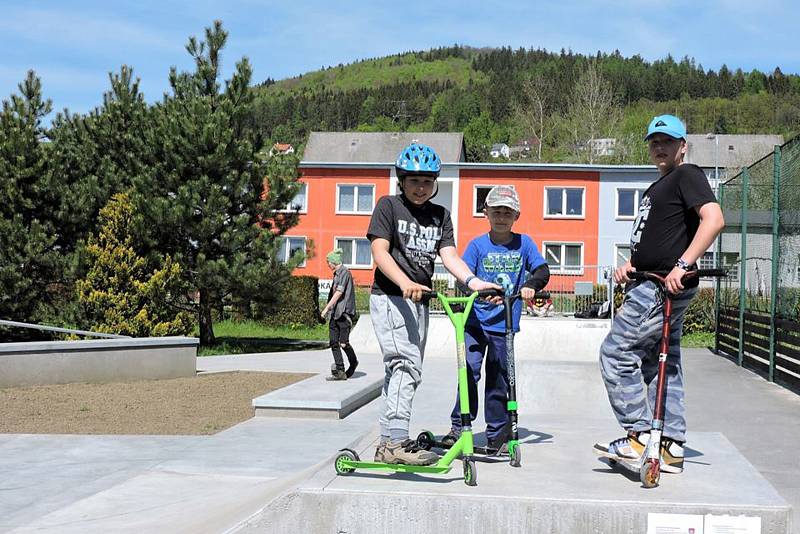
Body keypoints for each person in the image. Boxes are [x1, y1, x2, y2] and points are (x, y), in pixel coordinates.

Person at [593, 114, 725, 473]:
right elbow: (657, 238)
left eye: (668, 141)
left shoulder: (688, 174)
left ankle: (638, 436)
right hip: (649, 279)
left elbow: (714, 219)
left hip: (661, 285)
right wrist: (630, 266)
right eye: (654, 141)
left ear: (683, 146)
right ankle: (669, 445)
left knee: (616, 353)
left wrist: (683, 264)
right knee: (661, 365)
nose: (660, 147)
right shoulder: (657, 188)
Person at [368, 142, 499, 466]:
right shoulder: (388, 207)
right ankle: (396, 442)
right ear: (402, 180)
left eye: (427, 181)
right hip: (391, 296)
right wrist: (404, 282)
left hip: (420, 301)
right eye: (414, 180)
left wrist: (475, 282)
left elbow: (449, 255)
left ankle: (388, 440)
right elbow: (380, 251)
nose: (421, 187)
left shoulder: (441, 216)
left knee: (404, 369)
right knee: (405, 366)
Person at [441, 185, 550, 453]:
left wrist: (531, 285)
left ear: (516, 216)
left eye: (507, 212)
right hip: (475, 323)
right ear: (486, 213)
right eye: (497, 211)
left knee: (499, 379)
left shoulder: (524, 244)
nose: (502, 217)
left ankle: (497, 433)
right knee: (468, 372)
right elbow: (464, 278)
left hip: (505, 326)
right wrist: (477, 290)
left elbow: (541, 270)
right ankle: (459, 426)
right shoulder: (477, 245)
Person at [320, 248, 358, 381]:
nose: (328, 264)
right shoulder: (336, 274)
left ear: (334, 261)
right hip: (335, 314)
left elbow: (339, 293)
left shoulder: (345, 273)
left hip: (344, 313)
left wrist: (325, 309)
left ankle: (353, 363)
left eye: (328, 262)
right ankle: (340, 371)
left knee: (343, 343)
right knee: (333, 342)